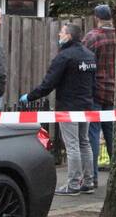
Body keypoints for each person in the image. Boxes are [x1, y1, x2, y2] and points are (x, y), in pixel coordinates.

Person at [21, 23, 97, 196]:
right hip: (86, 106)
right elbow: (94, 84)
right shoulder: (89, 56)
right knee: (84, 142)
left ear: (69, 36)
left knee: (72, 145)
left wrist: (29, 97)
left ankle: (73, 185)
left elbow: (48, 84)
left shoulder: (64, 57)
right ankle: (88, 181)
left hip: (69, 107)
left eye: (61, 32)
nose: (58, 35)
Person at [83, 4, 116, 186]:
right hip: (113, 90)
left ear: (97, 17)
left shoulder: (92, 37)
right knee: (111, 134)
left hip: (95, 91)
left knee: (93, 134)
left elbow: (83, 60)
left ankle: (92, 177)